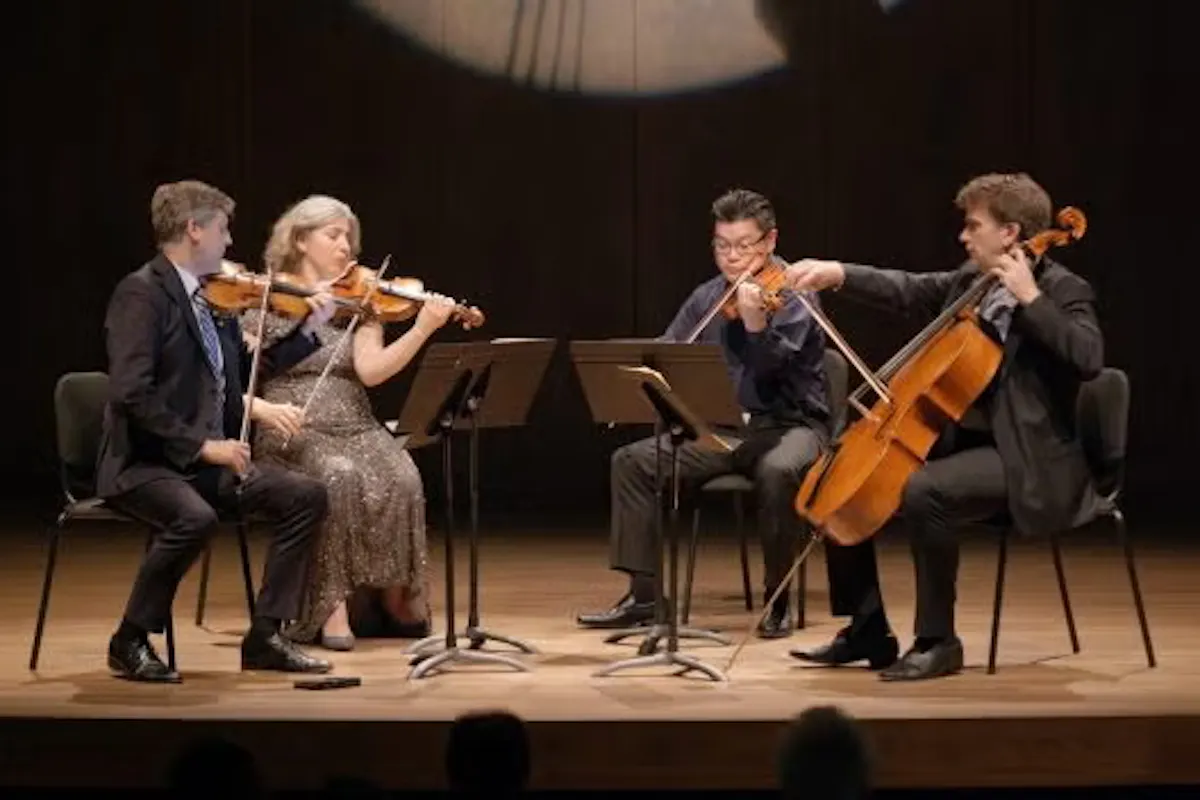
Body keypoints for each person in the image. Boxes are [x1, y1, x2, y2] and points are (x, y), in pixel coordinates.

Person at [783, 172, 1105, 680]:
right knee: (843, 477)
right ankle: (867, 629)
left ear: (1010, 233)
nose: (963, 236)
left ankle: (938, 641)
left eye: (973, 225)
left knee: (924, 490)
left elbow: (1089, 358)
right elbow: (908, 288)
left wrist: (1031, 299)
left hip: (1026, 457)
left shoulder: (1062, 289)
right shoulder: (972, 280)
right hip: (964, 439)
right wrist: (837, 272)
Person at [98, 179, 339, 682]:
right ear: (194, 229)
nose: (230, 241)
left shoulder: (215, 300)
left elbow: (250, 373)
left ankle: (266, 636)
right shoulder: (142, 294)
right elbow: (131, 394)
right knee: (195, 518)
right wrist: (203, 446)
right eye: (223, 230)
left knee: (306, 495)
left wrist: (310, 329)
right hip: (144, 463)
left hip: (204, 464)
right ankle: (130, 638)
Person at [576, 188, 831, 638]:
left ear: (770, 241)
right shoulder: (708, 296)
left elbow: (773, 370)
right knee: (632, 462)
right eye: (722, 245)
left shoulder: (794, 293)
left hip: (790, 427)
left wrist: (756, 325)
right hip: (724, 433)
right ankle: (645, 597)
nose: (731, 257)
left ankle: (777, 601)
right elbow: (669, 352)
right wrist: (637, 381)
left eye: (744, 245)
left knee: (777, 472)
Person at [242, 194, 457, 651]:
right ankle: (330, 605)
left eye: (349, 238)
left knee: (402, 474)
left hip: (356, 422)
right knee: (337, 476)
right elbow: (243, 370)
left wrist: (422, 328)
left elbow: (372, 372)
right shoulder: (265, 296)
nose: (346, 247)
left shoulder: (359, 302)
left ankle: (393, 597)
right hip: (290, 425)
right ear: (300, 240)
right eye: (333, 235)